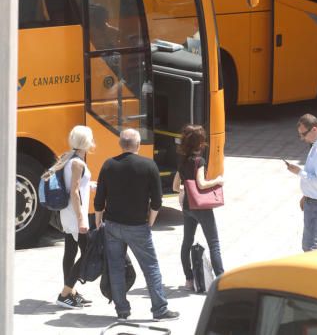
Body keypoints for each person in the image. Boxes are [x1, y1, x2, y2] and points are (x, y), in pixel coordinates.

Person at [94, 128, 178, 322]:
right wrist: (150, 222)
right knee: (150, 267)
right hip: (138, 226)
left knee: (115, 267)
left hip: (112, 225)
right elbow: (157, 200)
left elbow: (99, 198)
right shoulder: (149, 166)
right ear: (139, 145)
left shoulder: (108, 165)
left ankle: (122, 310)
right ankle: (159, 310)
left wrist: (98, 219)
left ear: (121, 145)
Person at [172, 124, 224, 290]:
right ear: (200, 143)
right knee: (214, 244)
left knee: (186, 242)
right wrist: (217, 181)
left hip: (187, 207)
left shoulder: (182, 161)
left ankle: (188, 279)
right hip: (202, 208)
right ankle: (221, 280)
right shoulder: (199, 161)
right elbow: (201, 184)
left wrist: (186, 189)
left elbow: (175, 186)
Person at [56, 125, 95, 309]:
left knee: (70, 252)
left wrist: (93, 185)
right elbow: (74, 192)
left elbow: (77, 187)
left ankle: (70, 292)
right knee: (88, 252)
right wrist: (81, 219)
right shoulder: (78, 162)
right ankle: (65, 293)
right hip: (75, 214)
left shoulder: (67, 157)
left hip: (67, 212)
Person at [286, 114, 317, 252]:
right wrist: (306, 195)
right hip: (316, 200)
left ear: (314, 129)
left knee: (309, 247)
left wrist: (299, 172)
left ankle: (315, 273)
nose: (302, 138)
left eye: (304, 134)